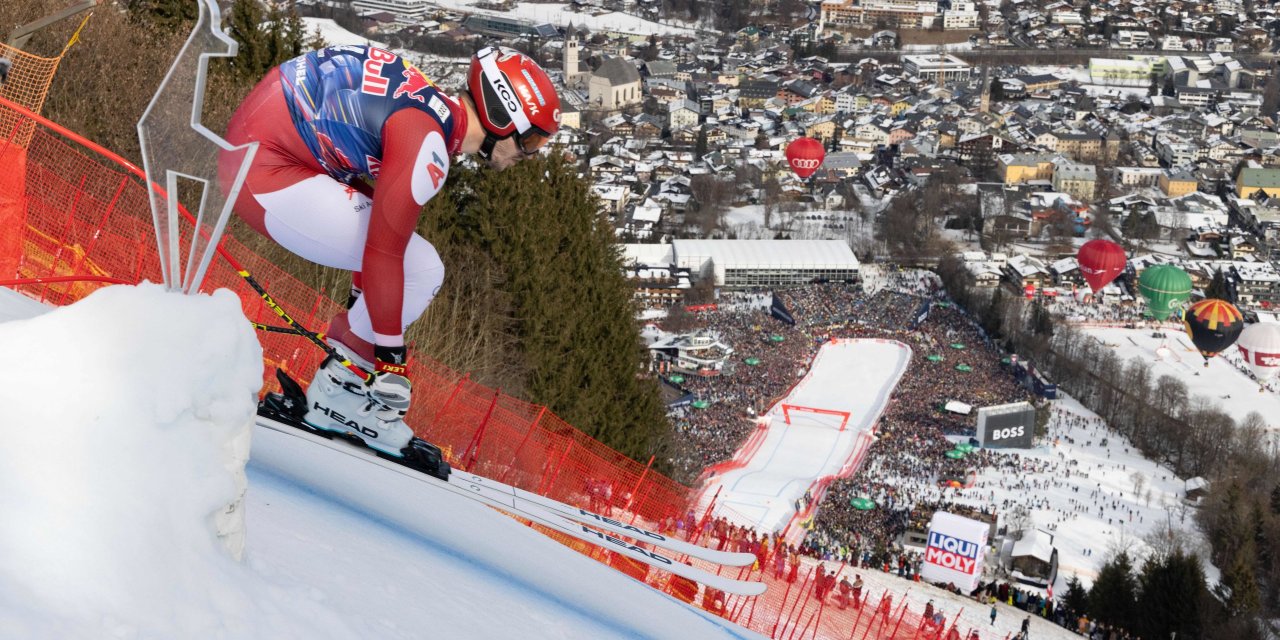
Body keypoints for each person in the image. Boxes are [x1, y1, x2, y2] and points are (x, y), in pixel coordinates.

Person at [221, 44, 560, 456]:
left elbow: (370, 207)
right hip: (265, 173)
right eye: (532, 140)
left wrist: (364, 315)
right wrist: (391, 362)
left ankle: (342, 383)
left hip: (260, 152)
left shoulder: (427, 107)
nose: (531, 154)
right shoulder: (428, 143)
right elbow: (383, 251)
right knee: (422, 267)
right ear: (502, 118)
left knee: (408, 260)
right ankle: (338, 394)